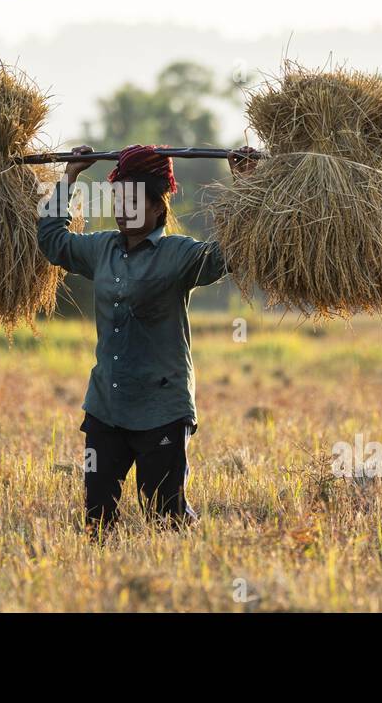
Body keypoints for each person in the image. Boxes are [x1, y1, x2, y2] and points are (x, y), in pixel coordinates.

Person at [37, 143, 259, 536]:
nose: (124, 209)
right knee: (97, 518)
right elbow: (53, 241)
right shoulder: (101, 250)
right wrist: (69, 176)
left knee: (166, 516)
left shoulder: (179, 256)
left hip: (162, 409)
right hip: (106, 405)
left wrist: (247, 184)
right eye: (119, 199)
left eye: (135, 201)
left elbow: (232, 253)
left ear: (159, 207)